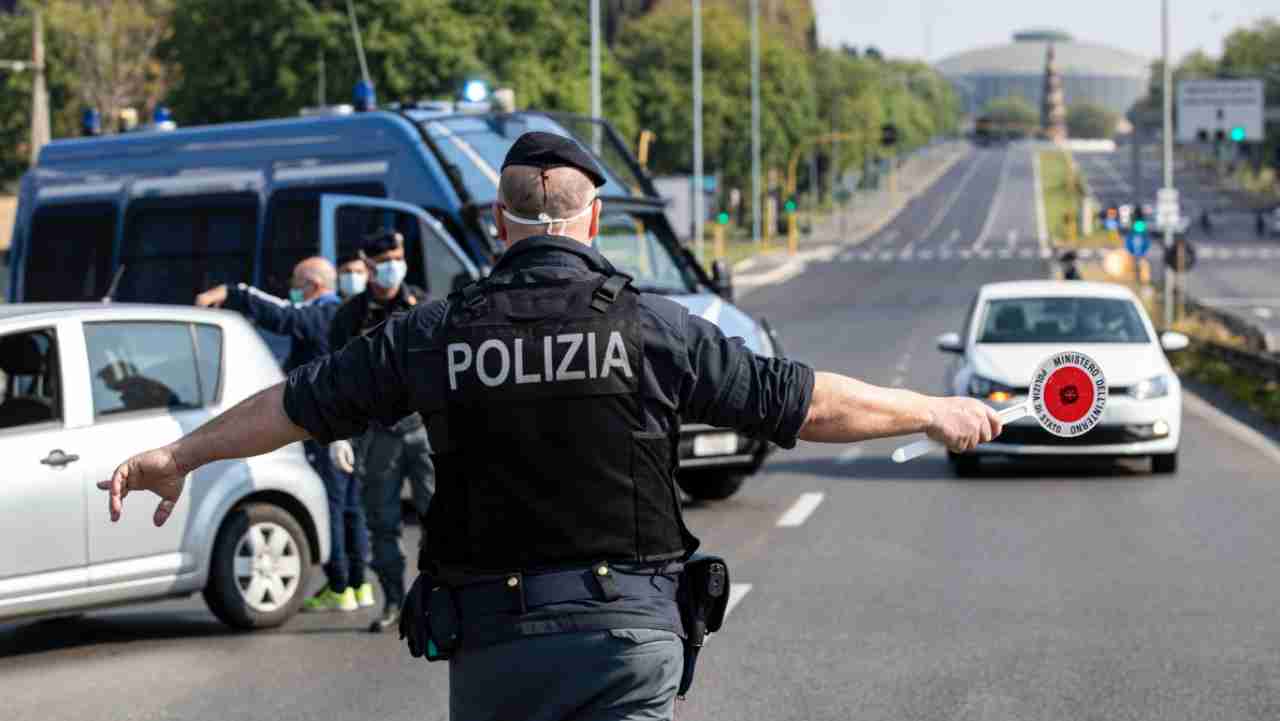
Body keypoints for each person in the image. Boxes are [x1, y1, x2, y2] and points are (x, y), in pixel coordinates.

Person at [100, 132, 1003, 721]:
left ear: (499, 224)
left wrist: (180, 452)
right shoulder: (648, 326)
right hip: (629, 643)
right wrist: (932, 408)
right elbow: (800, 401)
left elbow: (296, 402)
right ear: (594, 220)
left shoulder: (436, 332)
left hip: (498, 649)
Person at [195, 258, 373, 613]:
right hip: (356, 425)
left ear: (312, 286)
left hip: (332, 428)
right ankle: (359, 584)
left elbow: (284, 316)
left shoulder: (325, 312)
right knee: (353, 508)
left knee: (335, 506)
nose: (292, 290)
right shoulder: (348, 314)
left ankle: (340, 584)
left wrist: (234, 293)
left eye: (296, 283)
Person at [327, 229, 435, 633]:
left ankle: (439, 596)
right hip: (377, 436)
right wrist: (337, 433)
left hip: (425, 431)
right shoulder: (349, 317)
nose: (392, 268)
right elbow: (333, 380)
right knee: (382, 523)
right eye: (384, 261)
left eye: (397, 258)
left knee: (439, 517)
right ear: (369, 266)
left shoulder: (422, 305)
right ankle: (393, 599)